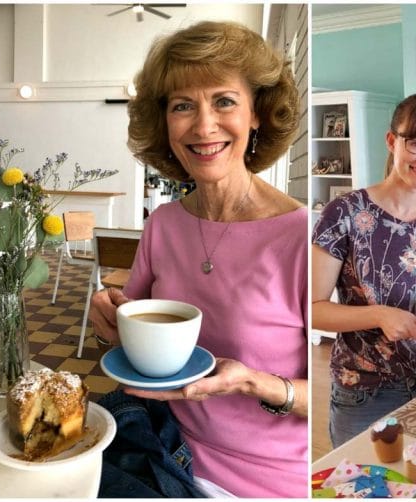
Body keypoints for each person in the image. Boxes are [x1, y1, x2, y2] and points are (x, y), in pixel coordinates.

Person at [87, 21, 307, 498]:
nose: (204, 126)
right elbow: (132, 322)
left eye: (224, 101)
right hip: (155, 438)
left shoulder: (303, 236)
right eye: (183, 105)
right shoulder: (164, 223)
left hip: (260, 478)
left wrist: (253, 383)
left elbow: (334, 392)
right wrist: (109, 311)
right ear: (165, 123)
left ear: (257, 114)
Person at [312, 94, 416, 448]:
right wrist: (379, 315)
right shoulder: (344, 213)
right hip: (367, 390)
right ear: (392, 141)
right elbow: (313, 309)